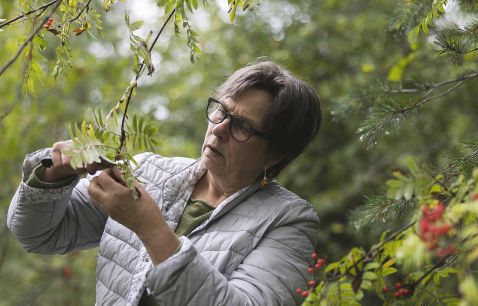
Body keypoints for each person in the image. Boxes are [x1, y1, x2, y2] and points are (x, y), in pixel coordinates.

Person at [7, 61, 322, 305]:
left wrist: (151, 229)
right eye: (221, 111)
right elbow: (36, 234)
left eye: (242, 126)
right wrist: (54, 175)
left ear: (276, 153)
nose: (220, 129)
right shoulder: (147, 173)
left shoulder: (288, 222)